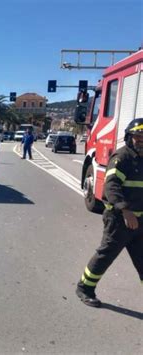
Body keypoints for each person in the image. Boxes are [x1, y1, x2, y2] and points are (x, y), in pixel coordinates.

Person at [76, 118, 143, 307]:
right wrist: (125, 210)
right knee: (106, 255)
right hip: (120, 220)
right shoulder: (122, 158)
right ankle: (84, 288)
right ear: (129, 137)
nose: (141, 141)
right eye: (138, 137)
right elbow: (111, 186)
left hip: (140, 221)